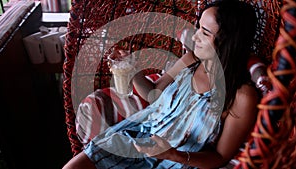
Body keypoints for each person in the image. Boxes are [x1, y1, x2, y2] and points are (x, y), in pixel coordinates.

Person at [62, 0, 260, 168]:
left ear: (228, 42)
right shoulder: (190, 61)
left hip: (176, 161)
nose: (195, 36)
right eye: (198, 27)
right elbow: (153, 94)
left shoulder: (241, 96)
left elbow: (220, 157)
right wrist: (131, 68)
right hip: (138, 137)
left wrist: (172, 155)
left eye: (205, 33)